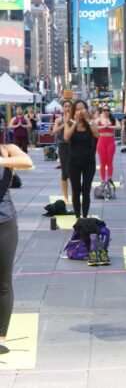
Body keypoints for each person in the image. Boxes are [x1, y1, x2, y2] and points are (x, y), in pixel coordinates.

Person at [0, 143, 33, 354]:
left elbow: (28, 162)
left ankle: (0, 336)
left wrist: (2, 161)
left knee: (3, 282)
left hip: (4, 222)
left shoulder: (7, 149)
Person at [64, 100, 100, 221]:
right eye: (78, 109)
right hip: (73, 162)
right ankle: (77, 217)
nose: (80, 112)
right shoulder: (69, 122)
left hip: (89, 161)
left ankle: (84, 217)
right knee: (76, 189)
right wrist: (74, 122)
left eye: (82, 109)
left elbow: (96, 134)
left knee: (86, 190)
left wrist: (88, 119)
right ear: (74, 110)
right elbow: (66, 137)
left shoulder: (90, 123)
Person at [52, 100, 73, 202]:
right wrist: (63, 124)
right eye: (65, 106)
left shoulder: (74, 120)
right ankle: (65, 196)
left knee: (74, 172)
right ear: (62, 108)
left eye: (69, 106)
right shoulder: (59, 120)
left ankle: (74, 194)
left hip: (73, 147)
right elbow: (54, 131)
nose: (67, 108)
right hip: (63, 146)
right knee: (64, 172)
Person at [96, 105, 121, 185]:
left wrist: (110, 126)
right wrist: (103, 126)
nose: (106, 111)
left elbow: (119, 127)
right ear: (102, 111)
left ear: (109, 111)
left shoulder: (113, 119)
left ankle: (110, 178)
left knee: (110, 161)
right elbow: (93, 126)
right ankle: (103, 180)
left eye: (108, 110)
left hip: (110, 141)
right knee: (102, 162)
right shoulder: (99, 118)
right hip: (102, 141)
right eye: (104, 110)